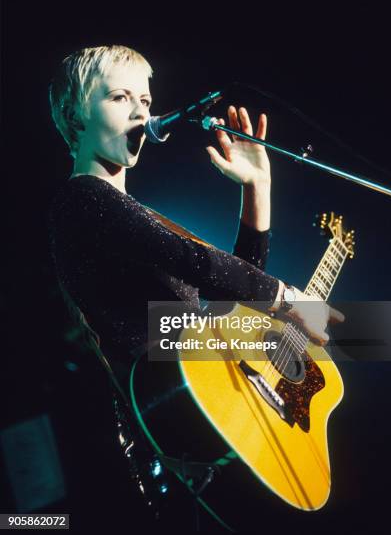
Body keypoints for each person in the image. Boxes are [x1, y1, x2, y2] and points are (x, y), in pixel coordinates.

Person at [48, 44, 343, 527]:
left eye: (145, 101)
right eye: (120, 98)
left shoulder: (135, 216)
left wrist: (257, 189)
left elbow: (233, 309)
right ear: (73, 115)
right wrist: (287, 297)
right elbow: (194, 261)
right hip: (167, 441)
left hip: (198, 420)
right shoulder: (80, 201)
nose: (141, 113)